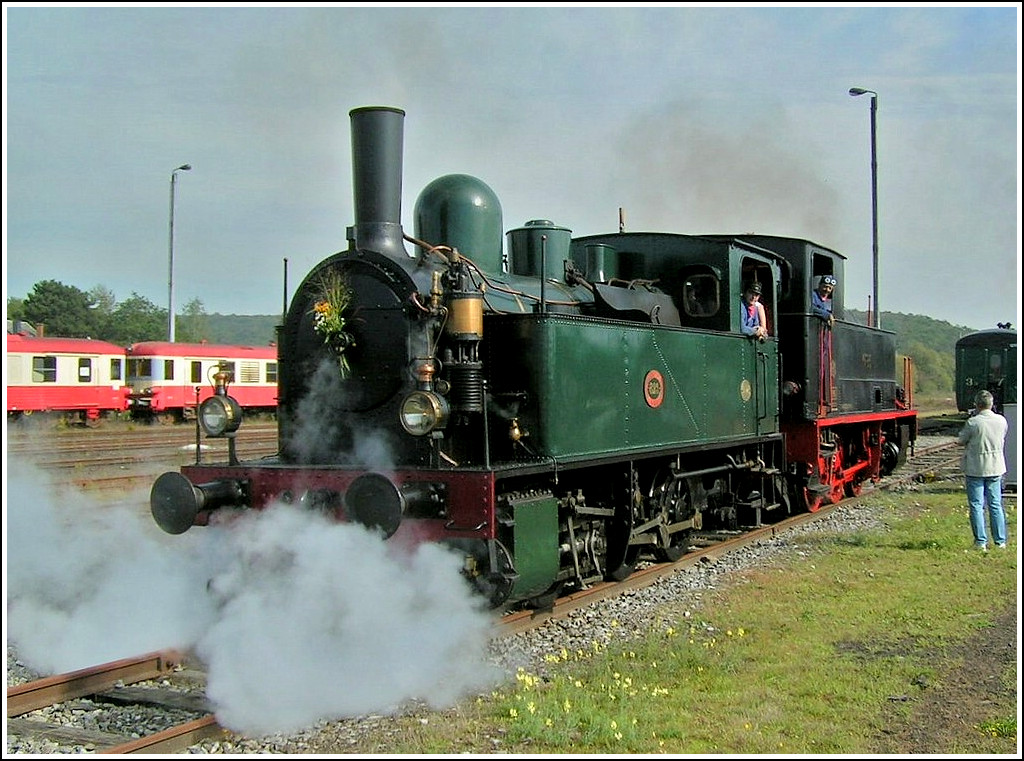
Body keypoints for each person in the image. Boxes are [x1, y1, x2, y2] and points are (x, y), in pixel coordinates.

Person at [957, 389, 1008, 550]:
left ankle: (980, 541)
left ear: (977, 405)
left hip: (976, 468)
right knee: (995, 504)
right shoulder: (1001, 421)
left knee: (977, 505)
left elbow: (961, 440)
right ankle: (1000, 541)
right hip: (996, 466)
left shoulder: (973, 422)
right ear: (991, 404)